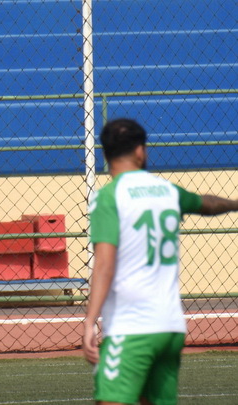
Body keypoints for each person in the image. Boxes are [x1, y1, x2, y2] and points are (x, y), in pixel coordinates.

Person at [83, 118, 238, 404]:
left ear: (105, 154)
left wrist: (90, 321)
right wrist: (236, 203)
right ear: (140, 151)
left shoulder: (108, 197)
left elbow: (104, 265)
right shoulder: (167, 191)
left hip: (132, 328)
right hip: (170, 327)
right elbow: (206, 203)